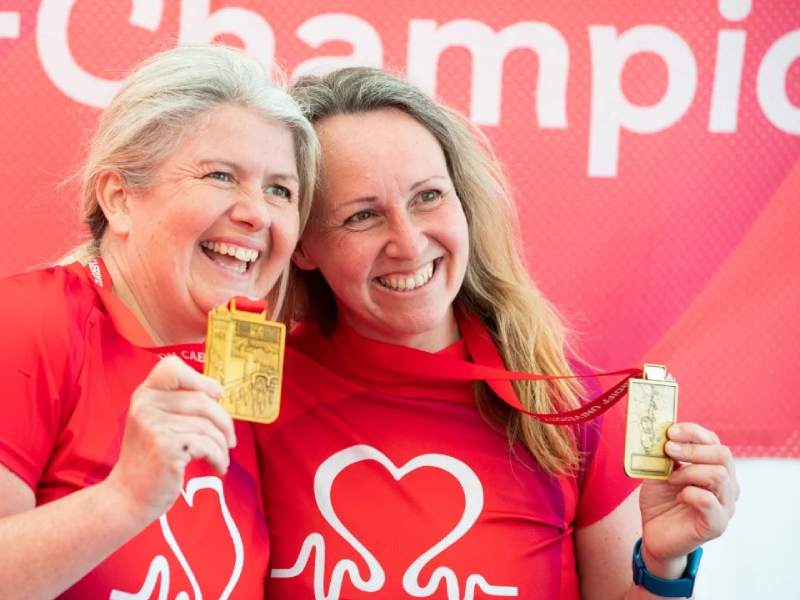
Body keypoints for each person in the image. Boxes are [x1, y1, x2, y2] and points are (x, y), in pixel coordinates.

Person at [255, 67, 739, 600]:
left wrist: (662, 564)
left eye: (428, 197)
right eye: (363, 215)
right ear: (300, 245)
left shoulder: (569, 407)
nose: (409, 244)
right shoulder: (256, 392)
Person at [0, 45, 319, 600]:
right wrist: (123, 498)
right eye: (221, 175)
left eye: (279, 190)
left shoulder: (257, 371)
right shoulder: (29, 321)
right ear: (120, 200)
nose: (257, 213)